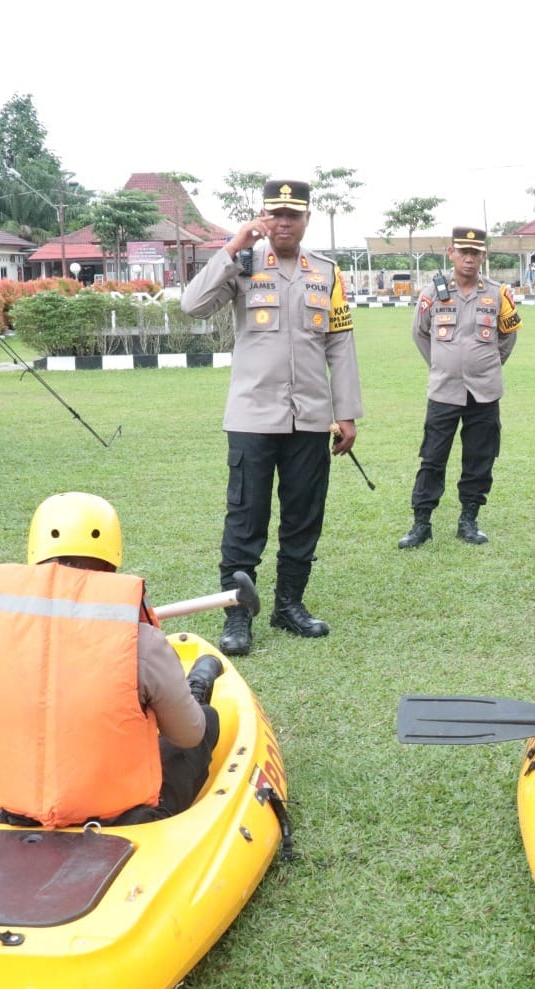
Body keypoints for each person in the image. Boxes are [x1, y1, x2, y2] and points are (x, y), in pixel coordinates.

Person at [0, 492, 224, 829]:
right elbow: (188, 736)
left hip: (6, 811)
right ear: (112, 557)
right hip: (117, 820)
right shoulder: (143, 643)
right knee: (205, 719)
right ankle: (194, 691)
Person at [181, 179, 362, 655]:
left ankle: (289, 605)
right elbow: (192, 305)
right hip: (252, 418)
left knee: (304, 516)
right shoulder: (241, 264)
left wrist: (346, 413)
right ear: (263, 216)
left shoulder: (326, 273)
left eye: (294, 215)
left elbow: (340, 345)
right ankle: (237, 616)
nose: (284, 222)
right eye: (276, 214)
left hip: (310, 418)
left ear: (306, 220)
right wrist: (233, 246)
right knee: (246, 517)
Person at [397, 226, 522, 548]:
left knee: (480, 457)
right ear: (451, 253)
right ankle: (421, 523)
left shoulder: (497, 293)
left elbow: (508, 336)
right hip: (444, 390)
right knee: (432, 458)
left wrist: (488, 364)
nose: (469, 258)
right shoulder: (432, 293)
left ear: (483, 256)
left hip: (484, 391)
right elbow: (420, 334)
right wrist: (442, 363)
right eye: (463, 252)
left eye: (475, 253)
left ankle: (469, 519)